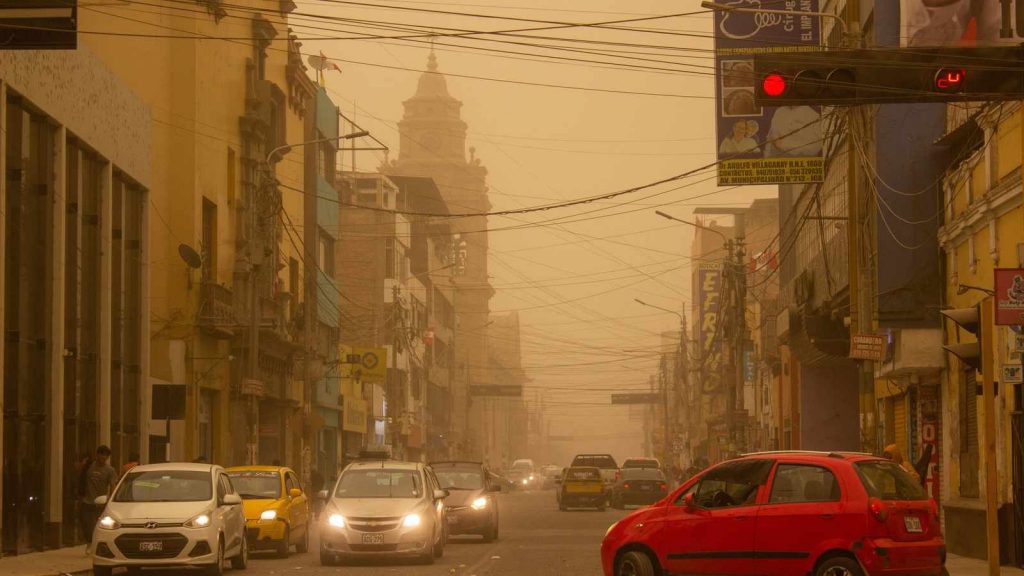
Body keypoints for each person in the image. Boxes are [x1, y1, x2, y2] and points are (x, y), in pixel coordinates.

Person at [80, 445, 118, 553]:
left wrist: (110, 499)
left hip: (101, 502)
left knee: (99, 525)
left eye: (106, 456)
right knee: (86, 524)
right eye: (102, 455)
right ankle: (89, 542)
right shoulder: (89, 466)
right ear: (97, 455)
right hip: (87, 500)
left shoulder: (110, 470)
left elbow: (112, 486)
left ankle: (95, 544)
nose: (103, 458)